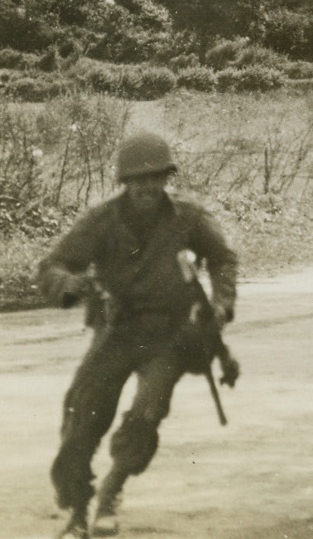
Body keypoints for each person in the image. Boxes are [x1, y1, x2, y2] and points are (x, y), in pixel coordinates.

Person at [38, 132, 238, 538]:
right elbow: (53, 264)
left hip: (168, 334)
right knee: (83, 412)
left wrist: (220, 307)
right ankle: (78, 508)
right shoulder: (102, 221)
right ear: (124, 181)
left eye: (155, 177)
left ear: (167, 178)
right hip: (116, 329)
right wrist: (70, 285)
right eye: (137, 179)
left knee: (146, 412)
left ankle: (111, 491)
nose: (147, 187)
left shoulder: (189, 218)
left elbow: (223, 258)